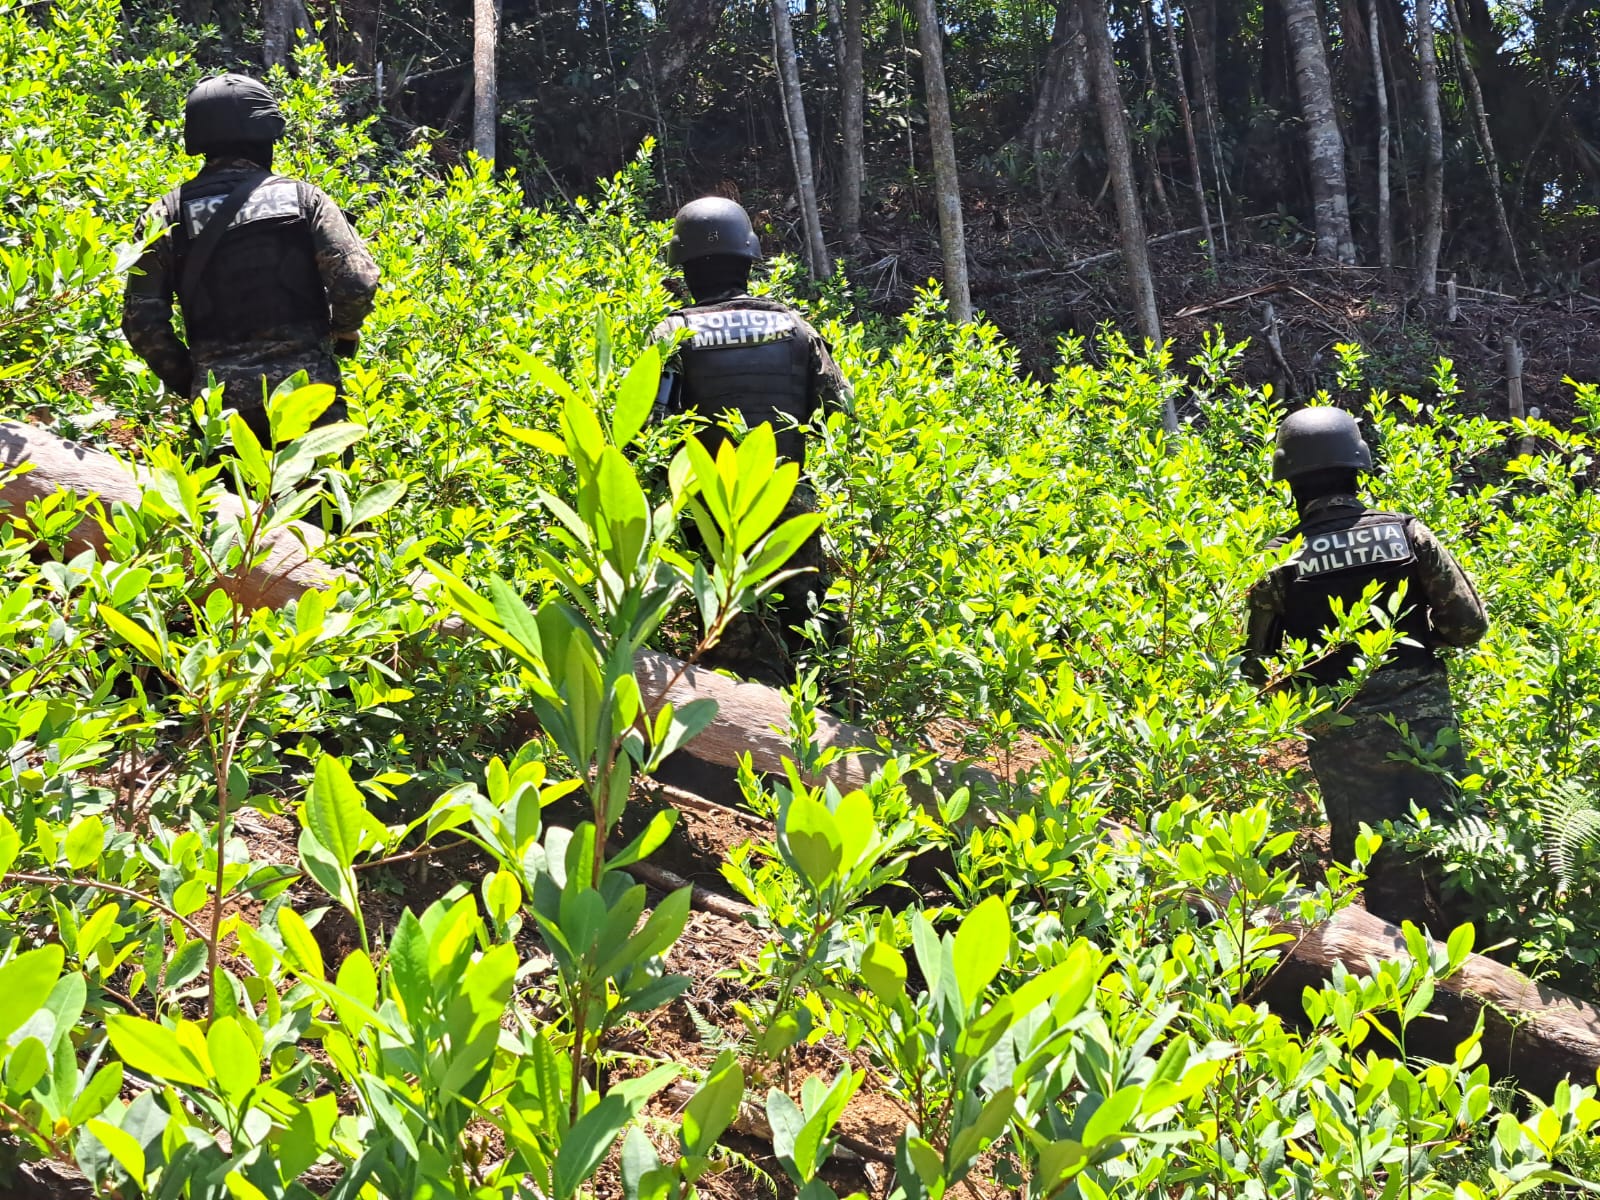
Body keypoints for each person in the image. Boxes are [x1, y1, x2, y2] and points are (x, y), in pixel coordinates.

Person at [1243, 407, 1489, 931]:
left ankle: (1395, 990)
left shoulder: (1281, 558)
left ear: (1290, 482)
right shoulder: (1407, 534)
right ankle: (1496, 962)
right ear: (1359, 468)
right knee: (1459, 842)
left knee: (1374, 864)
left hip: (1341, 731)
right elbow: (1469, 626)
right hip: (1426, 723)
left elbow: (1258, 669)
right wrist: (1422, 644)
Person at [649, 196, 850, 688]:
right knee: (812, 629)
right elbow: (840, 411)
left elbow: (650, 430)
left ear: (685, 267)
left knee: (732, 648)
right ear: (749, 259)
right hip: (789, 501)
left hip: (712, 510)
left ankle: (738, 755)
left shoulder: (672, 333)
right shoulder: (796, 327)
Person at [122, 73, 380, 452]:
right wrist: (342, 331)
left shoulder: (166, 214)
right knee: (323, 511)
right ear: (265, 135)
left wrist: (195, 379)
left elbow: (141, 322)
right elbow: (356, 282)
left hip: (221, 413)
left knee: (227, 510)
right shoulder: (304, 200)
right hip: (308, 399)